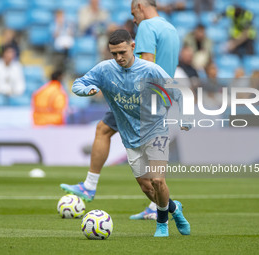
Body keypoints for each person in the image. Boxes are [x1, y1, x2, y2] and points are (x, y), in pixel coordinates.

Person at [60, 0, 181, 221]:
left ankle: (89, 185)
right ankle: (157, 207)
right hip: (160, 98)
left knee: (103, 130)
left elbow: (146, 63)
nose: (134, 20)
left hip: (141, 99)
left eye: (133, 13)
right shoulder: (170, 27)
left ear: (139, 7)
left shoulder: (146, 26)